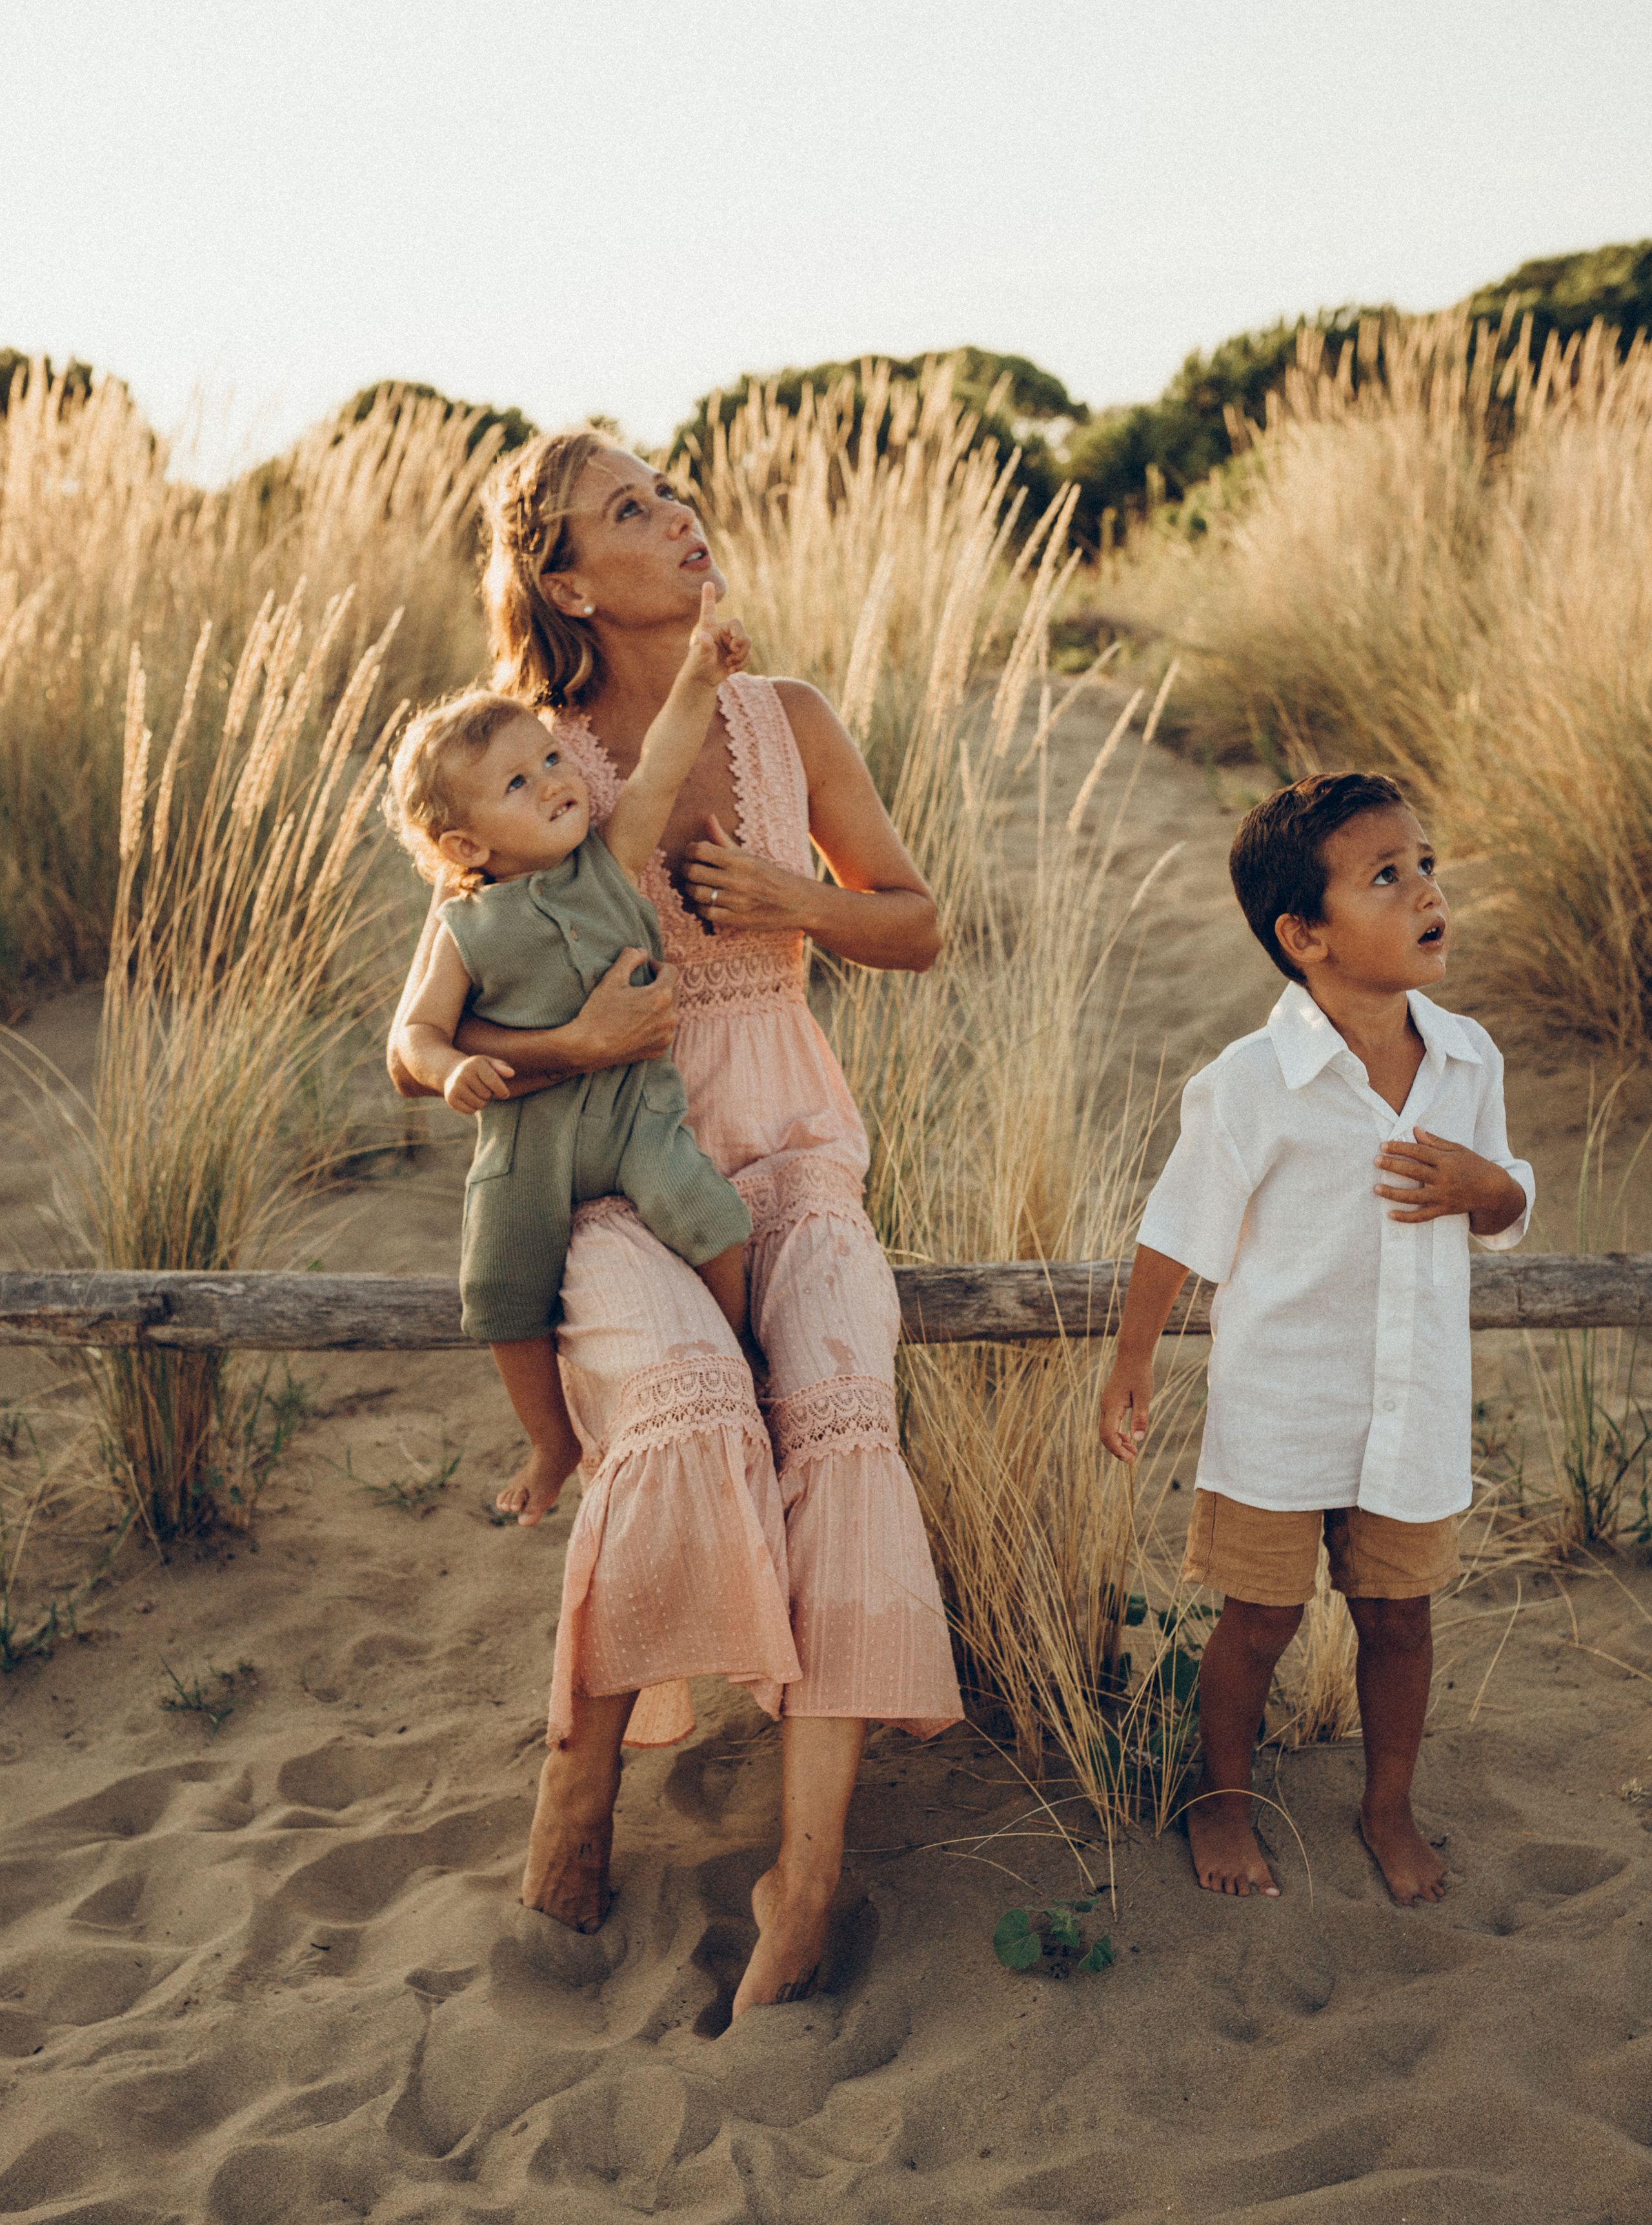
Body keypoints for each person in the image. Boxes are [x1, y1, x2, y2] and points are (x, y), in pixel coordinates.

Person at [388, 429, 961, 2014]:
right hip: (608, 1167)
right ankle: (581, 1771)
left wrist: (803, 907)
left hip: (787, 1138)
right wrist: (559, 1050)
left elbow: (918, 921)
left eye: (672, 490)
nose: (677, 514)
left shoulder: (784, 717)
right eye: (629, 509)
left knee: (840, 1400)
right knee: (698, 1400)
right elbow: (454, 1001)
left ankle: (809, 1870)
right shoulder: (524, 757)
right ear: (565, 577)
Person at [1099, 772, 1533, 1906]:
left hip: (1414, 1403)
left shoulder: (1469, 1059)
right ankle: (1223, 1799)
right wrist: (1132, 1362)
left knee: (1400, 1618)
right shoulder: (1251, 1084)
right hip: (1285, 1405)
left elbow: (1503, 1208)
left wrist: (1489, 1186)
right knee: (1259, 1622)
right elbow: (1174, 1228)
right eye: (1386, 876)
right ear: (1306, 936)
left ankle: (1388, 1807)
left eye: (1426, 862)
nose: (1427, 889)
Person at [387, 587, 761, 1508]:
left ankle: (740, 1346)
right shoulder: (466, 928)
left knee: (704, 1210)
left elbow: (661, 771)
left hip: (637, 1115)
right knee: (504, 1284)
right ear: (466, 843)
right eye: (519, 783)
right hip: (529, 1141)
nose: (556, 780)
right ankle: (549, 1447)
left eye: (551, 759)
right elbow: (415, 1035)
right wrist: (453, 1070)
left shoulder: (606, 858)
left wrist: (700, 675)